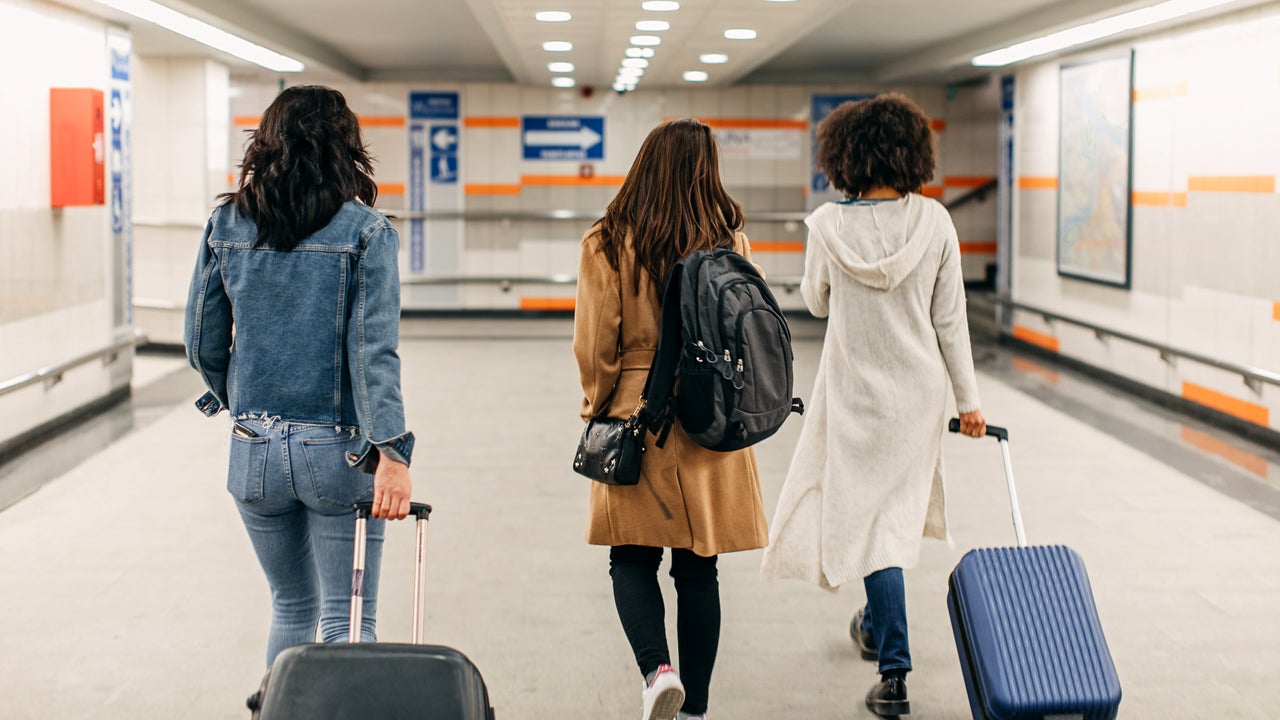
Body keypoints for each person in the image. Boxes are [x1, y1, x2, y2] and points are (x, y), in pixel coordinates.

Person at [759, 93, 987, 717]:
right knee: (885, 520)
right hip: (916, 396)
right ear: (912, 153)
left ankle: (894, 674)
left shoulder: (828, 226)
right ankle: (874, 621)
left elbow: (816, 302)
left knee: (872, 524)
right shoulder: (936, 222)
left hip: (856, 394)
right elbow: (951, 321)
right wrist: (968, 402)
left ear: (845, 157)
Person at [184, 85, 415, 667]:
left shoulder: (226, 223)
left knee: (290, 606)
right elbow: (373, 354)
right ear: (346, 146)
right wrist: (392, 452)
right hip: (337, 452)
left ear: (267, 141)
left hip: (253, 448)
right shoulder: (364, 231)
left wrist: (233, 396)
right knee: (347, 617)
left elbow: (201, 340)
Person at [573, 118, 769, 720]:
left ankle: (658, 670)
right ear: (706, 170)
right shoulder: (729, 242)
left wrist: (597, 406)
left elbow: (595, 347)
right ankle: (696, 709)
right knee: (697, 566)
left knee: (630, 555)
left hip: (639, 410)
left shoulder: (607, 241)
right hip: (710, 412)